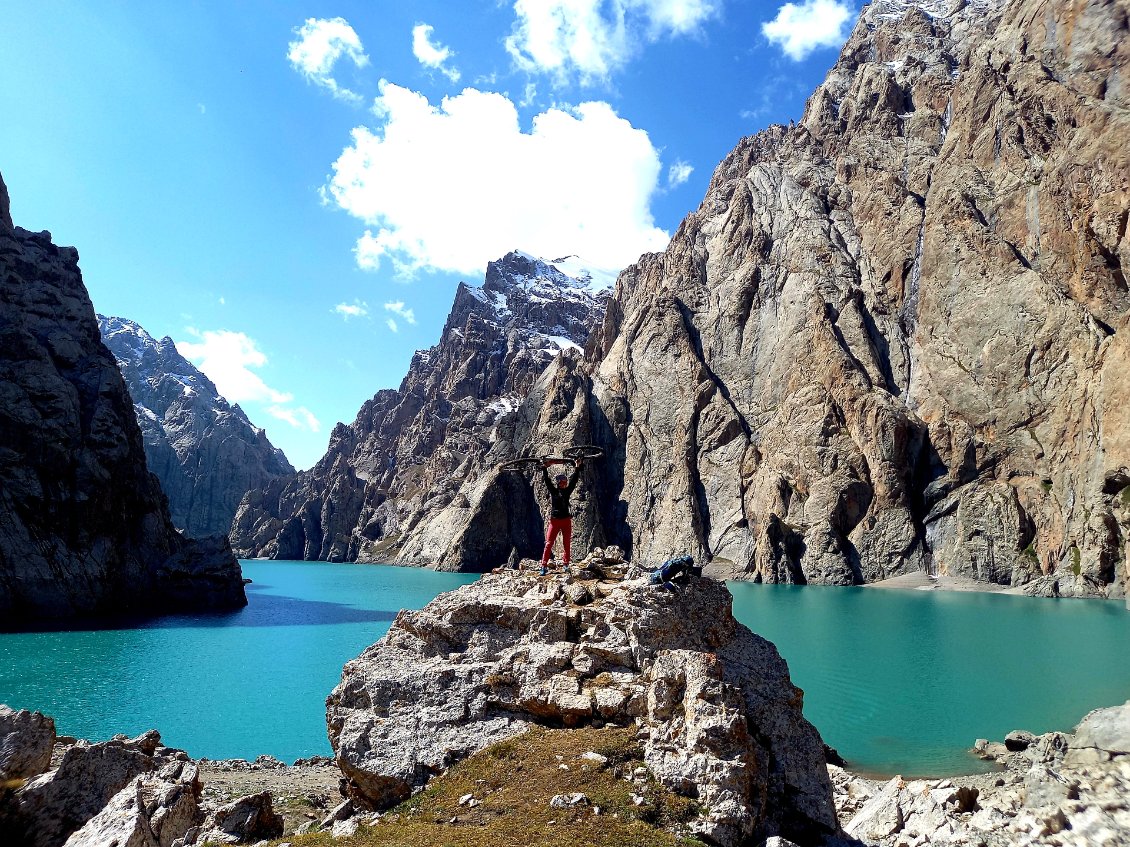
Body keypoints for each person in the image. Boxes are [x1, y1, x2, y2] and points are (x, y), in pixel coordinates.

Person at [539, 457, 583, 576]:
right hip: (555, 521)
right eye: (563, 482)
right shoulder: (554, 491)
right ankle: (543, 565)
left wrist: (578, 467)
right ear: (559, 483)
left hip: (564, 521)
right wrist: (544, 469)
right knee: (549, 543)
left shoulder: (567, 491)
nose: (565, 483)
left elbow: (574, 480)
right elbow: (547, 480)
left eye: (565, 481)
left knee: (566, 543)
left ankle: (566, 564)